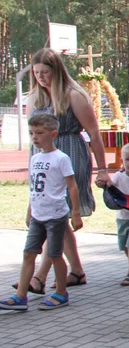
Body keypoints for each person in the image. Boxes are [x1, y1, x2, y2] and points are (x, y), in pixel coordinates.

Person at [22, 49, 109, 292]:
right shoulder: (35, 99)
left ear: (57, 71)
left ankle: (38, 277)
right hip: (41, 160)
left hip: (68, 155)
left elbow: (93, 132)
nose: (40, 77)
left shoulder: (73, 95)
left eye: (45, 72)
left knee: (55, 215)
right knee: (56, 216)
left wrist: (102, 169)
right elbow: (32, 134)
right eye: (36, 73)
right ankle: (77, 272)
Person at [1, 114, 81, 312]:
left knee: (55, 255)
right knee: (29, 254)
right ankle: (21, 296)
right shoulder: (35, 158)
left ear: (53, 134)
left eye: (39, 133)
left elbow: (72, 186)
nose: (35, 137)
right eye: (31, 133)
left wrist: (76, 212)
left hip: (55, 215)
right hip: (38, 214)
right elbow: (34, 187)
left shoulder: (61, 158)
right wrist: (30, 210)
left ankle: (61, 293)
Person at [112, 143, 129, 287]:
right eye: (127, 159)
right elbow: (110, 186)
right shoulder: (119, 176)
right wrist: (102, 183)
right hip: (122, 218)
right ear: (122, 160)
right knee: (125, 247)